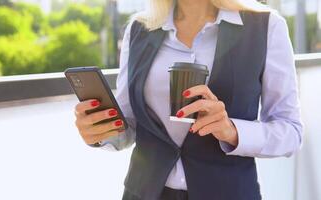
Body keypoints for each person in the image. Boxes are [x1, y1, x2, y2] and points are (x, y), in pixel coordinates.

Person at [74, 0, 303, 199]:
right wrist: (100, 131)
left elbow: (291, 132)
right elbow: (131, 124)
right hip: (143, 193)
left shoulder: (266, 26)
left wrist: (232, 131)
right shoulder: (139, 29)